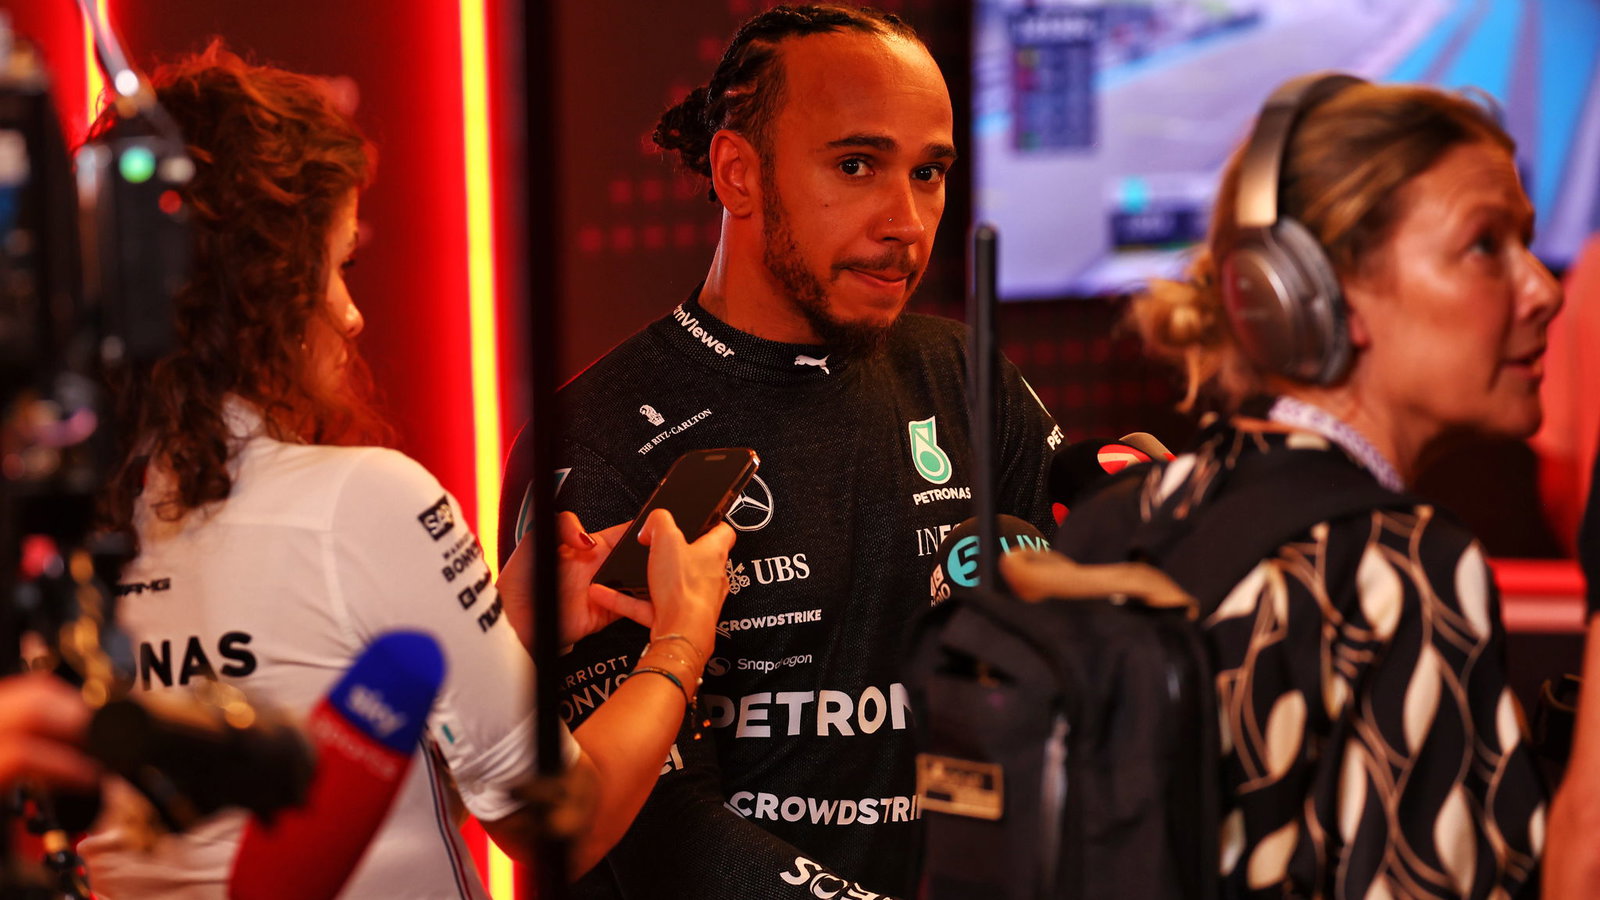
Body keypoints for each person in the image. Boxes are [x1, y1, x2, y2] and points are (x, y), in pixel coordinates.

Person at [75, 46, 735, 898]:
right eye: (337, 266)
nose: (350, 315)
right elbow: (555, 820)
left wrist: (499, 627)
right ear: (264, 292)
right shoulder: (363, 501)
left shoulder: (59, 546)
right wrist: (682, 637)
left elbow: (332, 785)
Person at [497, 6, 1060, 898]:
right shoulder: (598, 436)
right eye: (857, 165)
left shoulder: (965, 376)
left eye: (929, 173)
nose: (908, 221)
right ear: (739, 172)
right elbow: (652, 824)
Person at [1038, 75, 1556, 897]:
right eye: (1486, 245)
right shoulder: (1399, 567)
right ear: (1319, 294)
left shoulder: (1123, 518)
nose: (1544, 289)